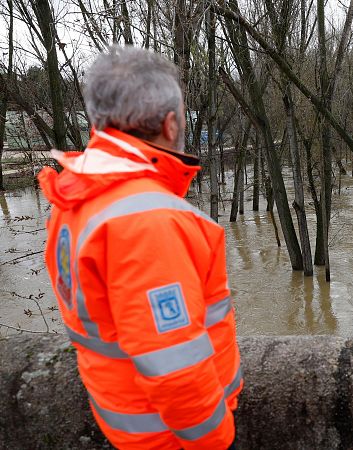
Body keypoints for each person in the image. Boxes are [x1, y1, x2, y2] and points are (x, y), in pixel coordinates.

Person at [39, 46, 241, 449]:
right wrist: (216, 440)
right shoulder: (149, 220)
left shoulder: (77, 196)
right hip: (172, 436)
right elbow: (175, 364)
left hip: (126, 417)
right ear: (170, 125)